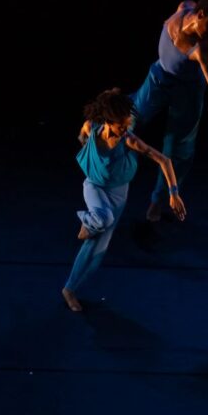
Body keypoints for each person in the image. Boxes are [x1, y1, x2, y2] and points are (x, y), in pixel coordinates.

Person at [62, 88, 186, 312]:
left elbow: (164, 160)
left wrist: (174, 193)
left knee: (97, 250)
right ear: (108, 122)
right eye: (121, 126)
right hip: (94, 186)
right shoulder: (91, 127)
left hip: (118, 193)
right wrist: (88, 151)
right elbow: (82, 137)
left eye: (127, 124)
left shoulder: (129, 139)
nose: (125, 129)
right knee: (103, 218)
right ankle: (87, 221)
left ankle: (70, 289)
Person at [130, 0, 208, 222]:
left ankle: (158, 201)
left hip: (188, 91)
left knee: (178, 147)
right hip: (160, 76)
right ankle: (97, 133)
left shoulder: (202, 49)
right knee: (132, 113)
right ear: (199, 14)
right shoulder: (184, 6)